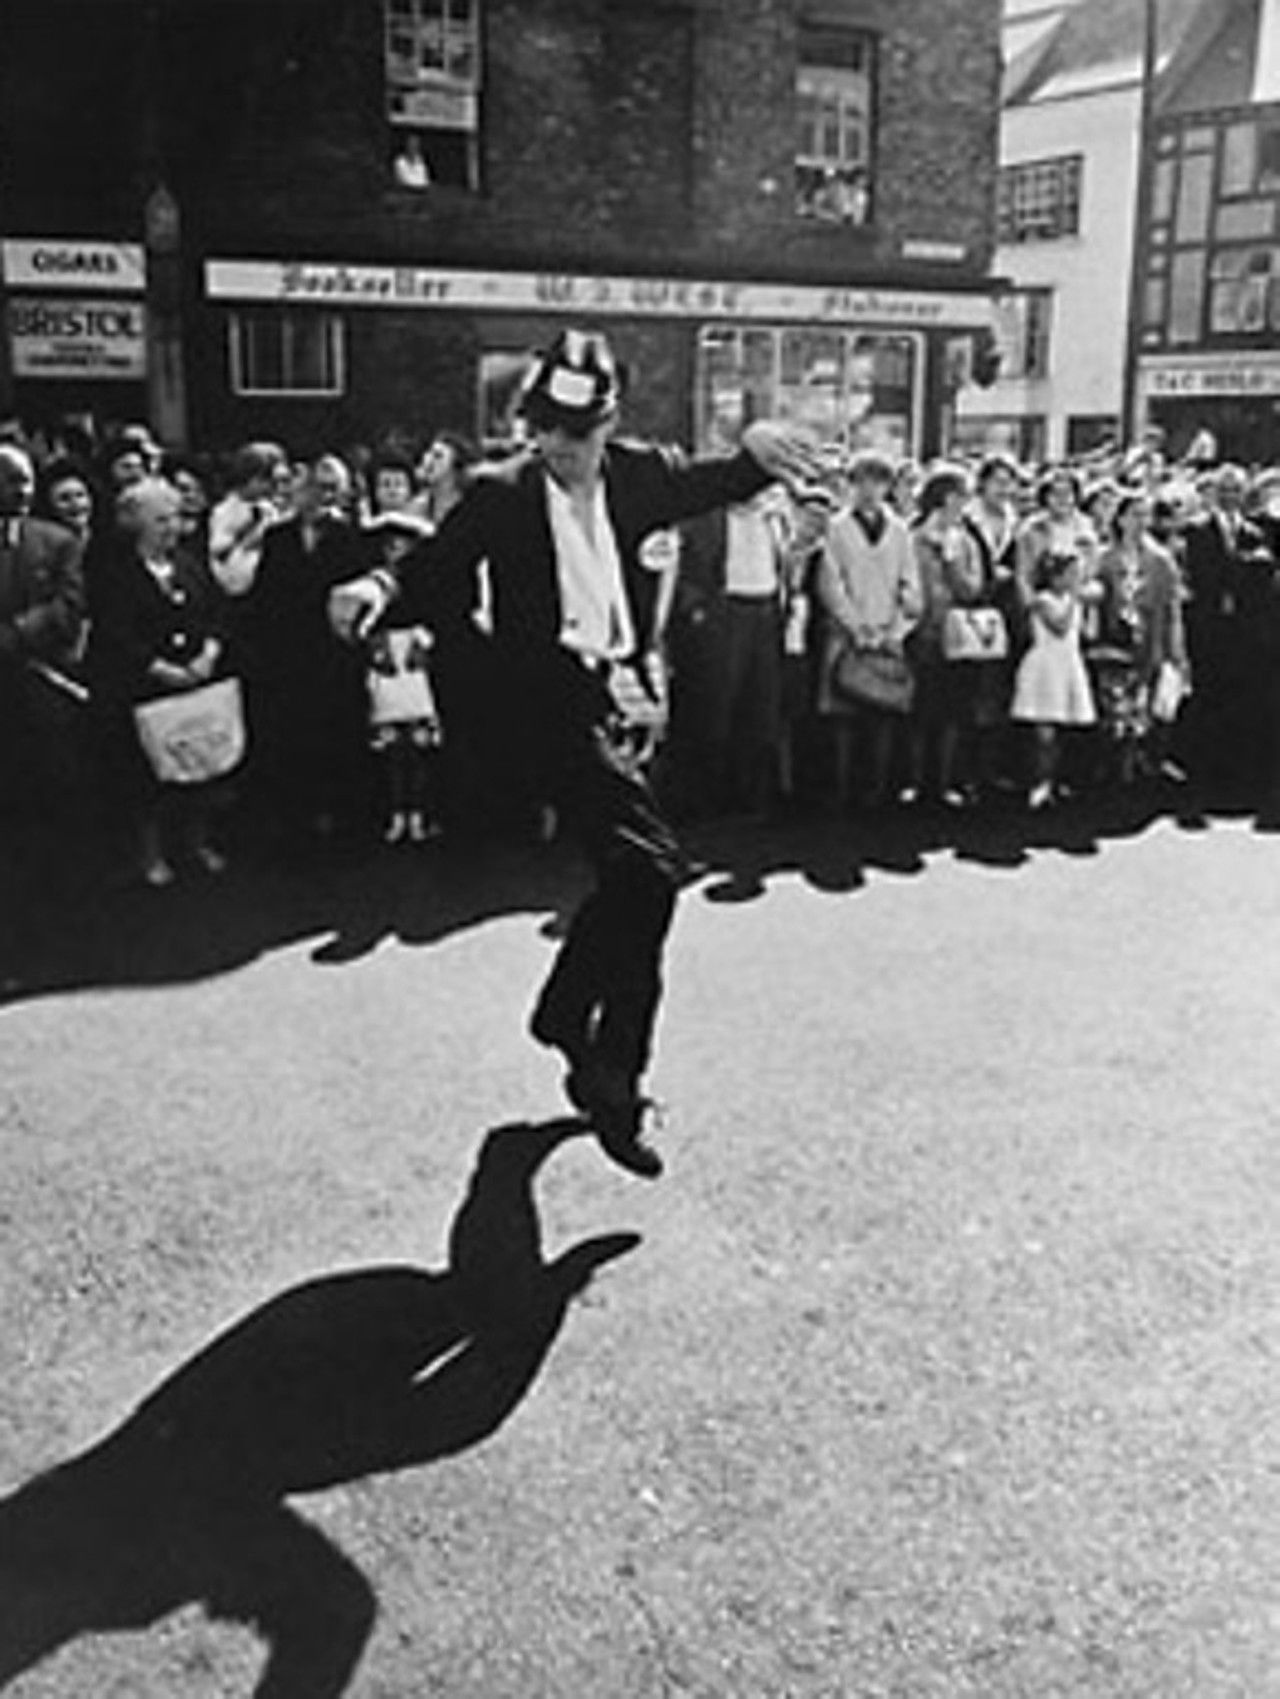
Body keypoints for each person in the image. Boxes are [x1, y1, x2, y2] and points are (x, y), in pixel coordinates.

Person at [329, 328, 818, 1178]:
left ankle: (570, 1020)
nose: (559, 444)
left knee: (646, 878)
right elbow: (435, 566)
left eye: (577, 429)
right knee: (649, 873)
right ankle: (614, 1083)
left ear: (608, 424)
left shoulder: (640, 472)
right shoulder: (500, 491)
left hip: (607, 692)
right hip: (533, 702)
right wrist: (377, 587)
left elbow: (714, 482)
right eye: (546, 425)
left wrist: (758, 456)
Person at [84, 477, 232, 885]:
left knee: (199, 769)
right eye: (160, 520)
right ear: (137, 525)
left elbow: (216, 614)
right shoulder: (116, 573)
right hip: (145, 690)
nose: (171, 527)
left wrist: (208, 655)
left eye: (175, 518)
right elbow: (116, 635)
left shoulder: (189, 564)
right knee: (146, 779)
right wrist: (163, 670)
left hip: (196, 684)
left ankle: (197, 844)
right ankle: (152, 855)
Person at [240, 455, 371, 851]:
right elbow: (264, 600)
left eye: (334, 489)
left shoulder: (353, 538)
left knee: (341, 743)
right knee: (293, 744)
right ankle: (296, 826)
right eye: (318, 487)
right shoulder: (278, 538)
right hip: (289, 660)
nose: (325, 497)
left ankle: (346, 828)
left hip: (336, 659)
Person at [673, 485, 793, 818]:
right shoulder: (706, 517)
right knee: (716, 706)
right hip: (724, 612)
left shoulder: (775, 518)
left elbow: (783, 565)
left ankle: (751, 796)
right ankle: (707, 797)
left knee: (761, 707)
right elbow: (685, 567)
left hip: (765, 614)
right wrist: (697, 610)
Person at [815, 450, 923, 812]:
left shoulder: (901, 530)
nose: (869, 490)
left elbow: (911, 585)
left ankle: (876, 793)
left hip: (888, 634)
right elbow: (830, 583)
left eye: (877, 482)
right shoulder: (835, 527)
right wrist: (855, 626)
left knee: (883, 712)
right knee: (842, 716)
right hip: (847, 633)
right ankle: (839, 793)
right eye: (861, 481)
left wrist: (897, 630)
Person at [0, 445, 88, 822]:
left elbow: (67, 606)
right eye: (8, 482)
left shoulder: (56, 541)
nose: (20, 491)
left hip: (41, 681)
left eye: (26, 481)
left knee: (48, 789)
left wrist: (14, 635)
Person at [1181, 463, 1274, 803]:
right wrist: (1242, 566)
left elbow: (1261, 580)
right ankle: (1204, 773)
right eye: (1224, 490)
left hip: (1244, 631)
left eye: (1236, 490)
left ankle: (1234, 773)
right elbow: (1202, 575)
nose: (1230, 497)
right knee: (1209, 697)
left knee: (1238, 699)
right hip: (1210, 627)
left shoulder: (1255, 532)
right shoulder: (1196, 529)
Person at [1090, 490, 1188, 787]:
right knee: (1115, 705)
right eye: (1133, 515)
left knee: (1153, 703)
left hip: (1152, 637)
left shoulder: (1161, 560)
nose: (1140, 522)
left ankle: (1148, 761)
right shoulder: (1103, 558)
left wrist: (1177, 650)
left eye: (1145, 515)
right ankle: (1113, 764)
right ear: (1119, 519)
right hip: (1114, 640)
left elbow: (1172, 608)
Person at [907, 464, 990, 807]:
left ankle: (943, 782)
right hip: (920, 633)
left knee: (953, 712)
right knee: (918, 710)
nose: (964, 504)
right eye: (959, 496)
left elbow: (974, 589)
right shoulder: (912, 537)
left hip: (957, 637)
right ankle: (914, 781)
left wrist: (952, 561)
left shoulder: (967, 541)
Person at [1010, 548, 1096, 808]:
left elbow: (1085, 634)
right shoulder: (1043, 600)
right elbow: (1059, 626)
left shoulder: (1074, 601)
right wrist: (1075, 601)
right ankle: (1038, 783)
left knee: (1060, 732)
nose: (1076, 578)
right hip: (1045, 667)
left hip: (1068, 663)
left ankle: (1055, 781)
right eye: (1071, 574)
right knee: (1043, 733)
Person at [208, 441, 287, 598]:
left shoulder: (270, 509)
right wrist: (249, 535)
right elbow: (218, 551)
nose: (273, 488)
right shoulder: (225, 511)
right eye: (267, 480)